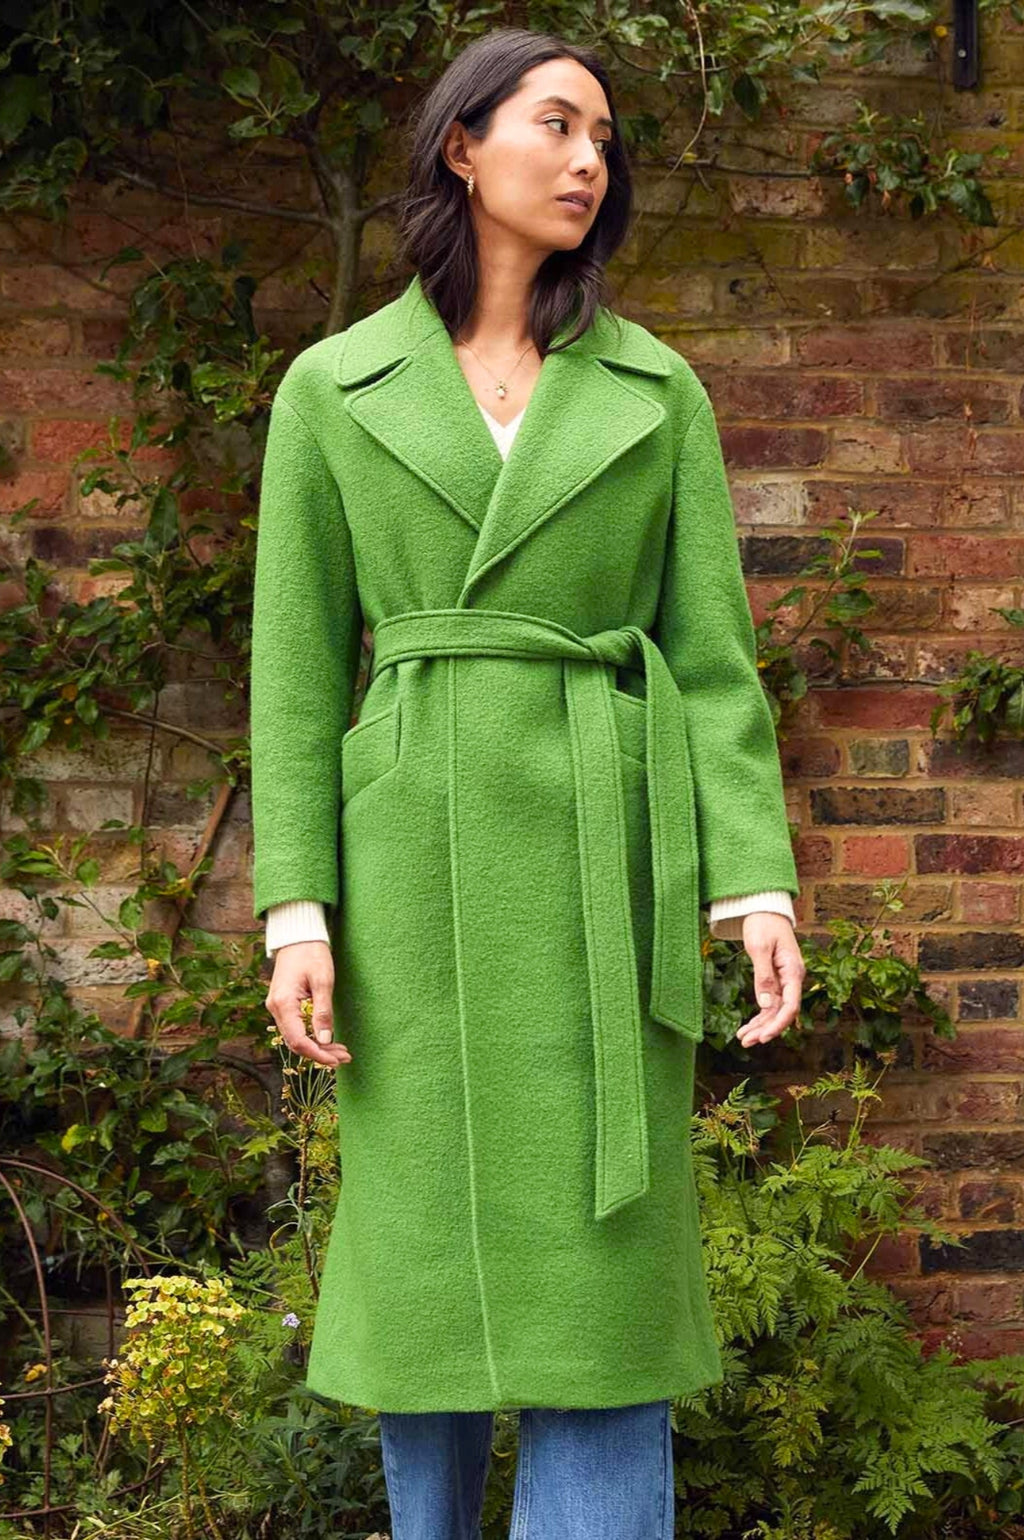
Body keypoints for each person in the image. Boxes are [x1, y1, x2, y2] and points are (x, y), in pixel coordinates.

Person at [249, 25, 806, 1540]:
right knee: (424, 1260)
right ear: (462, 144)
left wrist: (754, 882)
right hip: (410, 864)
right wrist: (297, 909)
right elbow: (295, 671)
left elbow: (712, 663)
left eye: (604, 139)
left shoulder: (656, 390)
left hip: (601, 859)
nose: (587, 161)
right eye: (557, 125)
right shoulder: (332, 390)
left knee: (604, 1286)